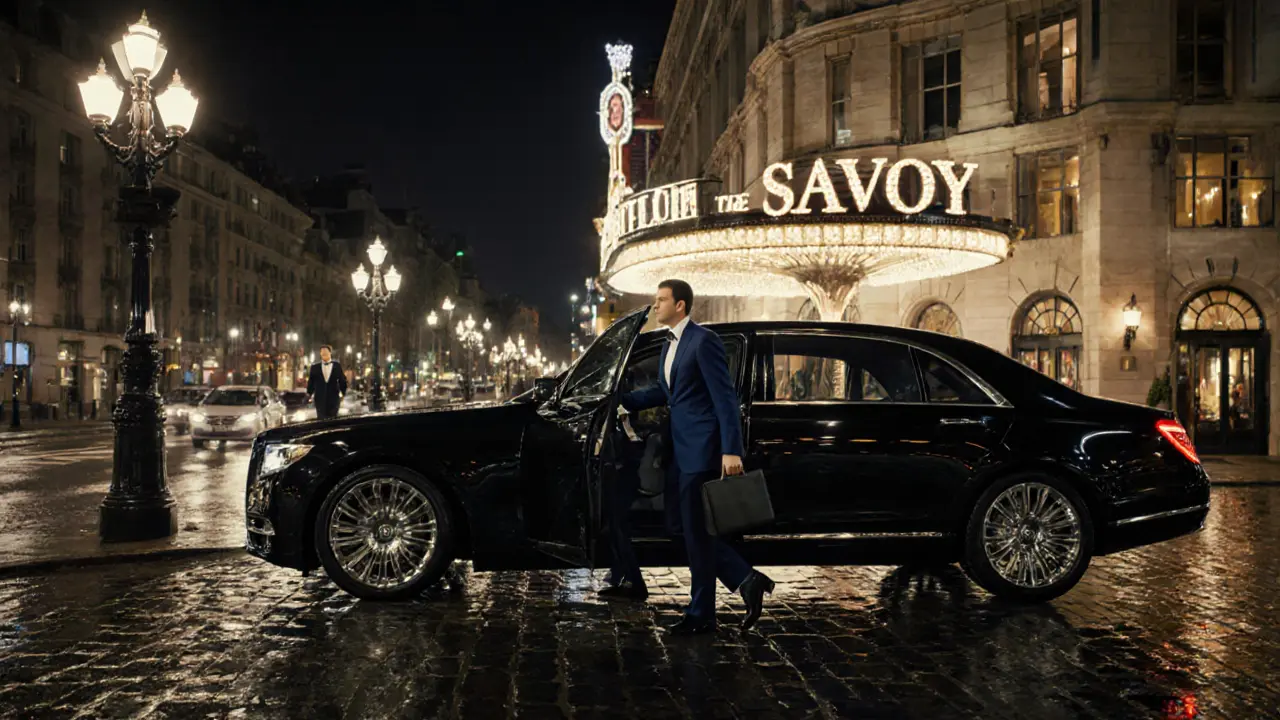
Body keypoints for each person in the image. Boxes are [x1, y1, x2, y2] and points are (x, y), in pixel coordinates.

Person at [619, 279, 774, 635]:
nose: (655, 306)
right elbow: (666, 390)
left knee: (695, 531)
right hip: (680, 449)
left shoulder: (704, 341)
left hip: (702, 450)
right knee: (679, 527)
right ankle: (745, 578)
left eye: (661, 301)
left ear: (681, 306)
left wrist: (731, 449)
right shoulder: (669, 344)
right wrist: (623, 399)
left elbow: (725, 398)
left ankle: (702, 611)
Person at [306, 345, 347, 420]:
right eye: (322, 352)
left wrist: (343, 393)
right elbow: (311, 382)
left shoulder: (337, 366)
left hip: (334, 399)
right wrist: (309, 393)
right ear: (320, 354)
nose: (324, 353)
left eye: (326, 351)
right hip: (320, 399)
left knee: (333, 420)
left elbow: (342, 380)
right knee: (321, 420)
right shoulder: (315, 367)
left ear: (330, 353)